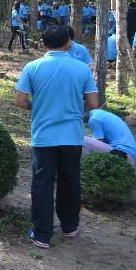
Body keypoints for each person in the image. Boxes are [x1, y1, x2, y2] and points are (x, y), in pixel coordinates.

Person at [14, 25, 99, 249]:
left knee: (42, 183)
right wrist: (75, 112)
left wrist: (38, 107)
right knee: (70, 181)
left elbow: (20, 100)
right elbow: (93, 103)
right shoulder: (82, 69)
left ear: (43, 44)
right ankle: (70, 226)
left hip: (43, 135)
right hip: (72, 136)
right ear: (68, 44)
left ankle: (42, 234)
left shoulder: (32, 67)